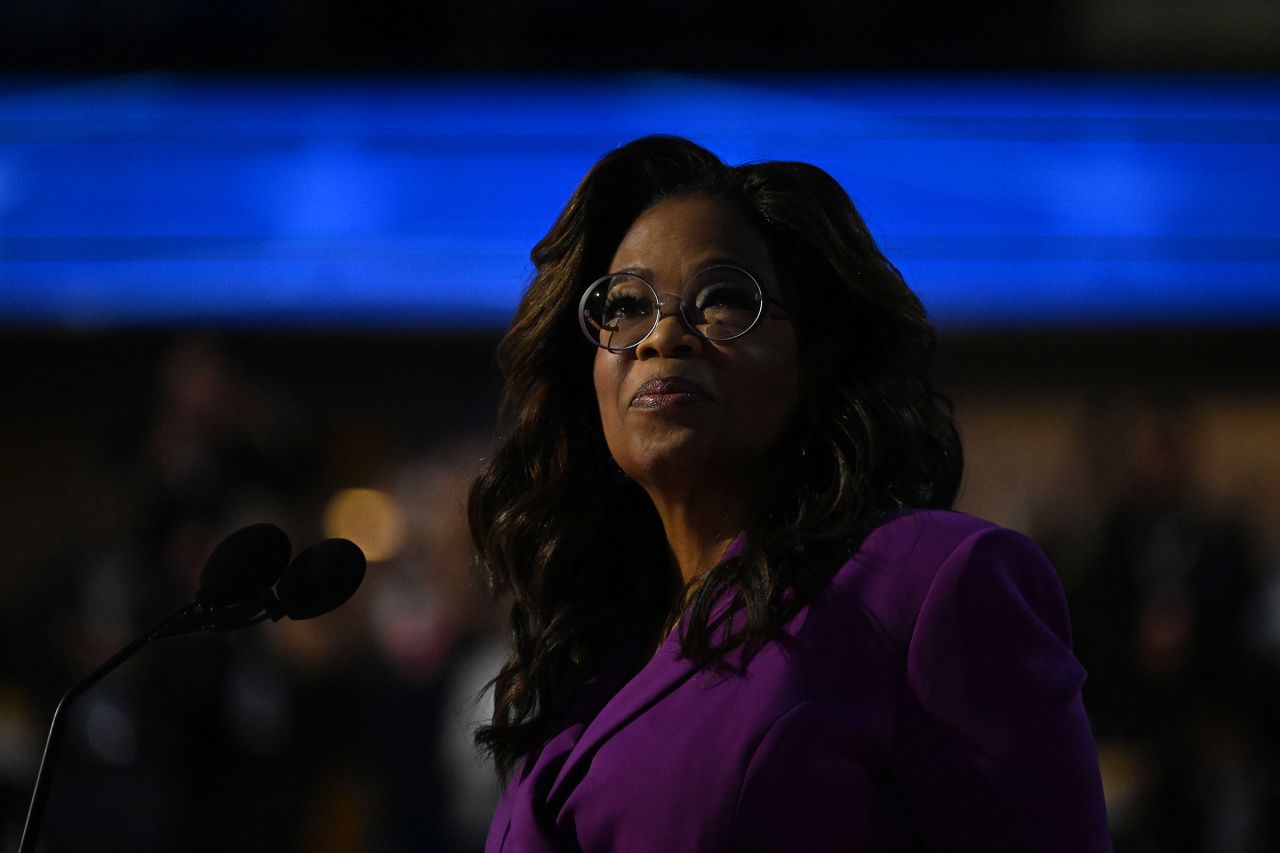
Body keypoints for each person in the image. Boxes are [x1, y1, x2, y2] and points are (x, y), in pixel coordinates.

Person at [467, 135, 1112, 852]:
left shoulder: (931, 583)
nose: (662, 336)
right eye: (624, 304)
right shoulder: (590, 646)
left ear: (819, 353)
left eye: (722, 299)